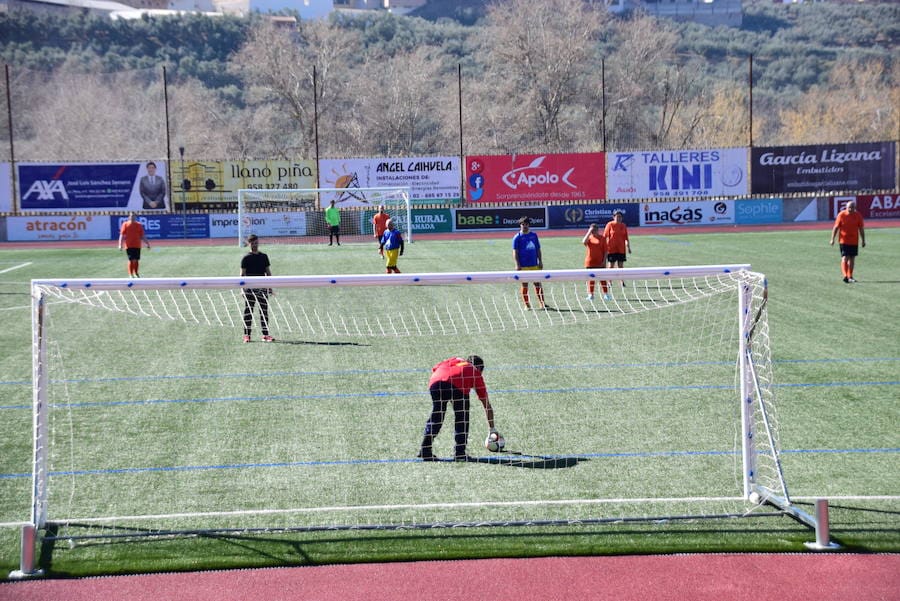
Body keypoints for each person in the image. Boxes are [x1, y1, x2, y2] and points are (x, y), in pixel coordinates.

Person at [418, 355, 498, 462]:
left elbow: (435, 368)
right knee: (462, 417)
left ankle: (425, 448)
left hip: (435, 381)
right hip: (456, 386)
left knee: (437, 415)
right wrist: (492, 429)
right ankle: (460, 452)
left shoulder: (454, 360)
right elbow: (486, 405)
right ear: (479, 368)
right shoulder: (475, 371)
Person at [240, 234, 274, 343]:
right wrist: (242, 289)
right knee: (248, 312)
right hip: (249, 289)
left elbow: (268, 273)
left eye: (256, 243)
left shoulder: (264, 256)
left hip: (262, 288)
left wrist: (270, 287)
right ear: (249, 244)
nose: (255, 245)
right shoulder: (246, 258)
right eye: (253, 243)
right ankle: (247, 335)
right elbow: (242, 275)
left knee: (264, 311)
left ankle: (265, 335)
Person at [829, 199, 866, 283]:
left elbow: (861, 229)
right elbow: (836, 228)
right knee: (845, 257)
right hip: (843, 240)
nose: (850, 209)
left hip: (854, 241)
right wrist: (832, 239)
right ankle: (845, 275)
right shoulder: (841, 215)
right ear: (846, 207)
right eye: (849, 207)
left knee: (852, 259)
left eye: (852, 207)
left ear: (855, 208)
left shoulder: (858, 216)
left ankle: (850, 276)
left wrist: (863, 240)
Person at [512, 216, 544, 309]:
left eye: (526, 224)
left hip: (534, 264)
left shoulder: (534, 235)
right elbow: (515, 252)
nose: (524, 226)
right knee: (524, 284)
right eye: (522, 224)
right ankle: (527, 304)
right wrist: (517, 264)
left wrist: (540, 261)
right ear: (520, 225)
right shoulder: (517, 237)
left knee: (538, 283)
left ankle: (542, 303)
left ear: (528, 225)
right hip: (523, 266)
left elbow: (538, 249)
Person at [117, 212, 150, 277]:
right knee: (131, 259)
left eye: (133, 216)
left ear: (135, 217)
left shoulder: (139, 225)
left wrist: (147, 243)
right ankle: (130, 274)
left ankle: (136, 273)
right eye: (131, 216)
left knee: (136, 260)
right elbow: (122, 235)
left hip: (137, 245)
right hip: (129, 245)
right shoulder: (125, 224)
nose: (132, 217)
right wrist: (120, 244)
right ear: (129, 217)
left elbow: (142, 235)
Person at [582, 223, 610, 301]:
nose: (593, 231)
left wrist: (604, 261)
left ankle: (606, 294)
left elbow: (605, 251)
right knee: (591, 279)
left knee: (602, 279)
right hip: (590, 262)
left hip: (600, 262)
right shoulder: (589, 238)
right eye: (592, 230)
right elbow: (583, 242)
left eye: (594, 230)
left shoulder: (602, 238)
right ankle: (591, 294)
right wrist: (588, 232)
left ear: (598, 230)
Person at [603, 210, 632, 286]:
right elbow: (604, 236)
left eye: (620, 217)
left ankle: (622, 281)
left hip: (621, 249)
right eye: (617, 216)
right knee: (611, 266)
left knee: (621, 266)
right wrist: (603, 247)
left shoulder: (623, 226)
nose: (619, 218)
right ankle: (609, 281)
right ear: (613, 217)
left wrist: (628, 247)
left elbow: (626, 238)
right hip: (611, 249)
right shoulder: (610, 224)